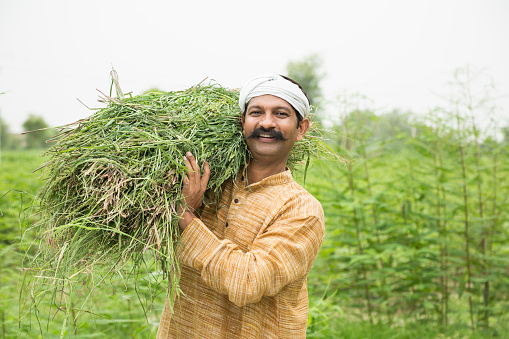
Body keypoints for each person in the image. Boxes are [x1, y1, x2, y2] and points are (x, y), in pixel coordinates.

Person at [157, 73, 325, 338]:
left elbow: (248, 282)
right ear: (242, 122)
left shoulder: (302, 209)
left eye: (280, 114)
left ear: (301, 128)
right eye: (257, 112)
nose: (267, 123)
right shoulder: (205, 183)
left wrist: (185, 214)